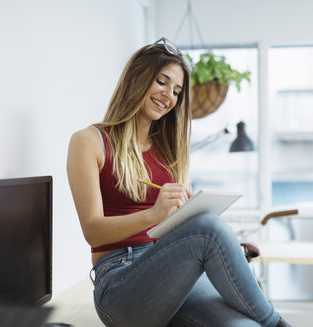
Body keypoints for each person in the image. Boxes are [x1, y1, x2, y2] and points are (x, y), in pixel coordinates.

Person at [67, 37, 293, 327]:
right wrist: (152, 215)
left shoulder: (169, 150)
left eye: (176, 91)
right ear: (137, 78)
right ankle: (278, 323)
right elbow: (92, 232)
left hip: (171, 271)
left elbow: (180, 229)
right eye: (162, 82)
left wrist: (223, 247)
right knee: (209, 229)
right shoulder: (89, 141)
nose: (169, 96)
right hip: (119, 284)